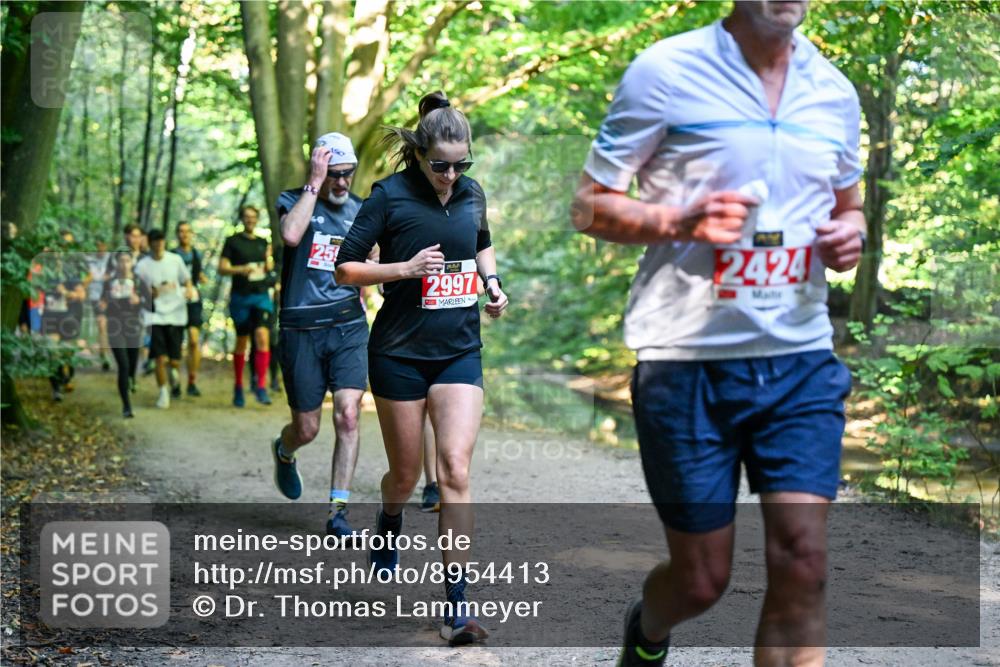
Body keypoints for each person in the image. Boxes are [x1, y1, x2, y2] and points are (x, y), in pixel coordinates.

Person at [571, 2, 864, 665]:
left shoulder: (835, 91)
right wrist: (678, 222)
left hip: (799, 358)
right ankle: (646, 629)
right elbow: (587, 204)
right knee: (701, 579)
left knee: (804, 559)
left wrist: (855, 235)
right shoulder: (666, 71)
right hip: (686, 360)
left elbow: (849, 206)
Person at [335, 91, 508, 646]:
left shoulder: (471, 192)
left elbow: (481, 242)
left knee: (454, 469)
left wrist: (493, 284)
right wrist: (402, 269)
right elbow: (345, 270)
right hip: (399, 353)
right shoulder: (388, 196)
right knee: (406, 477)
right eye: (441, 166)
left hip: (459, 348)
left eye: (462, 165)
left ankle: (455, 606)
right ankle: (389, 520)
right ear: (418, 153)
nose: (452, 176)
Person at [268, 132, 369, 539]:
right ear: (321, 170)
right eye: (335, 175)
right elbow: (291, 236)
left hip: (347, 324)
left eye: (349, 175)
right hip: (300, 328)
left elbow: (377, 260)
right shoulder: (294, 200)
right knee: (307, 428)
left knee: (348, 414)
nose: (343, 183)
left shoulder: (361, 210)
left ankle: (338, 513)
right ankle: (284, 449)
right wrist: (315, 182)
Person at [219, 205, 275, 407]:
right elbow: (222, 268)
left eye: (253, 217)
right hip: (240, 296)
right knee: (242, 341)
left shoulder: (263, 242)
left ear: (257, 219)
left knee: (262, 337)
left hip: (260, 295)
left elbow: (268, 266)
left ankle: (261, 386)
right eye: (247, 217)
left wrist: (268, 267)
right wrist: (240, 269)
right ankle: (238, 386)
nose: (250, 220)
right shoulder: (232, 241)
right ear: (242, 219)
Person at [135, 229, 194, 409]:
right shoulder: (143, 265)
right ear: (150, 243)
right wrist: (147, 293)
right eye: (155, 241)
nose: (158, 244)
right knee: (159, 358)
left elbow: (187, 280)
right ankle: (163, 392)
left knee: (174, 360)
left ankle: (174, 374)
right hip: (155, 316)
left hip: (176, 314)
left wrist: (189, 290)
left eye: (161, 240)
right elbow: (137, 289)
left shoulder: (175, 260)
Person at [102, 252, 145, 418]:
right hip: (115, 326)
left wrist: (139, 300)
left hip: (133, 325)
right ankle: (126, 406)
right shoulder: (109, 282)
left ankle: (132, 379)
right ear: (116, 263)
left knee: (133, 363)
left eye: (127, 260)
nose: (124, 264)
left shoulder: (139, 281)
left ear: (131, 262)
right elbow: (101, 304)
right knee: (123, 365)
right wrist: (104, 304)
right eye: (121, 261)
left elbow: (149, 304)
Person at [172, 221, 207, 396]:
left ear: (192, 234)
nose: (184, 234)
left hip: (193, 300)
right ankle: (175, 381)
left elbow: (197, 274)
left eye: (187, 231)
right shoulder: (171, 255)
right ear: (177, 234)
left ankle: (192, 380)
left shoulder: (196, 254)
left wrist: (201, 278)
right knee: (176, 345)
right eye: (181, 231)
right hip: (174, 302)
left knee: (193, 340)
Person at [85, 240, 112, 372]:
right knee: (102, 325)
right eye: (98, 245)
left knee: (108, 327)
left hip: (111, 297)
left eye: (103, 245)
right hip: (95, 297)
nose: (100, 248)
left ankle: (106, 351)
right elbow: (85, 278)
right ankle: (104, 355)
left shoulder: (111, 259)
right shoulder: (88, 260)